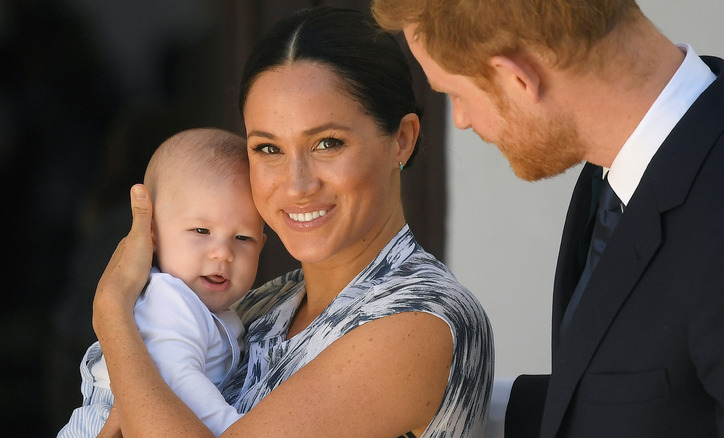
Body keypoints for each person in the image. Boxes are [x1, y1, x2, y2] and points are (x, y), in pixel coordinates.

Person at [91, 6, 494, 438]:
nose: (297, 185)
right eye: (268, 149)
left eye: (327, 143)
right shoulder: (262, 306)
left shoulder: (421, 319)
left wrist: (113, 312)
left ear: (402, 139)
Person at [372, 0, 724, 437]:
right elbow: (645, 398)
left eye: (454, 95)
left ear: (519, 79)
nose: (460, 121)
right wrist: (439, 400)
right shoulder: (617, 172)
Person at [58, 128, 266, 437]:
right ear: (151, 235)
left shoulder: (216, 308)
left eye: (242, 238)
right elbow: (179, 382)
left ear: (262, 244)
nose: (223, 253)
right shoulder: (169, 300)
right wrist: (235, 429)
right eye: (200, 231)